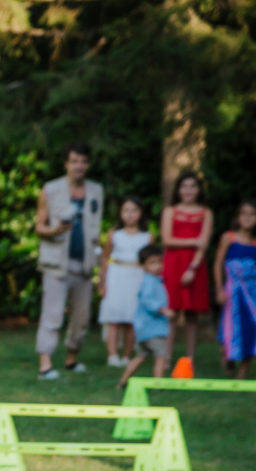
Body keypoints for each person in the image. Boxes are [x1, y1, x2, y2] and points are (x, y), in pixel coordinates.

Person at [34, 142, 104, 379]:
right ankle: (45, 364)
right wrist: (55, 231)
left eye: (83, 161)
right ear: (66, 163)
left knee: (81, 317)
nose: (79, 166)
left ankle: (71, 360)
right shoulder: (50, 189)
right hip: (56, 263)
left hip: (84, 264)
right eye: (74, 161)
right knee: (52, 314)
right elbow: (39, 227)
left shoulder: (96, 191)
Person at [160, 172, 213, 370]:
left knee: (192, 315)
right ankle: (165, 358)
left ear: (198, 189)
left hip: (195, 266)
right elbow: (167, 240)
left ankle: (189, 360)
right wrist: (192, 241)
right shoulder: (170, 211)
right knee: (171, 313)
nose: (188, 190)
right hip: (173, 264)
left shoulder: (206, 213)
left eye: (193, 186)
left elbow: (204, 243)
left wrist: (192, 267)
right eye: (184, 186)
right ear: (178, 190)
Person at [213, 200, 256, 379]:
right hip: (234, 292)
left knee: (255, 326)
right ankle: (229, 356)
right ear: (237, 217)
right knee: (231, 326)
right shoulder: (228, 238)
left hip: (254, 293)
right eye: (244, 213)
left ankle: (244, 368)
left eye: (252, 214)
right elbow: (217, 264)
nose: (247, 218)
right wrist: (219, 289)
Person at [97, 195, 152, 367]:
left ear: (141, 213)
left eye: (134, 210)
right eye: (126, 210)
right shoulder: (114, 234)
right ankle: (112, 355)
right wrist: (102, 281)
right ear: (120, 213)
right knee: (114, 317)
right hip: (117, 276)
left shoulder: (147, 236)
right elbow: (105, 258)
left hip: (136, 276)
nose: (129, 215)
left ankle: (127, 355)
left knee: (131, 318)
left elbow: (151, 262)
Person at [117, 244, 174, 389]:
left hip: (144, 330)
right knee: (161, 357)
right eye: (152, 263)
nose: (158, 266)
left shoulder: (155, 281)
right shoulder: (149, 281)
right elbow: (146, 299)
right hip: (153, 330)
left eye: (160, 261)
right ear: (143, 266)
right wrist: (162, 310)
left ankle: (123, 382)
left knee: (140, 356)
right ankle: (159, 385)